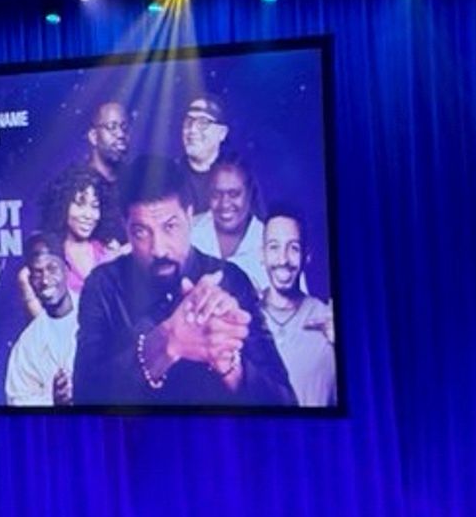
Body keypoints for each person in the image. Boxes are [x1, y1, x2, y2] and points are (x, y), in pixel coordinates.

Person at [71, 156, 294, 407]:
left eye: (170, 226)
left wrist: (229, 365)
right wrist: (165, 343)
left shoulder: (230, 281)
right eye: (141, 232)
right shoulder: (103, 286)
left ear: (189, 216)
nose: (159, 250)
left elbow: (286, 403)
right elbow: (83, 397)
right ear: (126, 228)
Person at [257, 208, 336, 407]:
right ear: (262, 255)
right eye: (274, 247)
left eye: (294, 248)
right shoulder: (244, 316)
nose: (283, 260)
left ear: (306, 256)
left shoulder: (327, 319)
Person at [5, 232, 78, 406]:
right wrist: (53, 401)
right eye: (37, 273)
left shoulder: (101, 318)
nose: (45, 280)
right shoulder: (27, 345)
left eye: (52, 269)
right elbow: (17, 402)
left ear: (66, 270)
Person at [191, 152, 269, 293]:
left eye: (234, 194)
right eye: (216, 194)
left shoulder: (271, 241)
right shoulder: (189, 232)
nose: (224, 203)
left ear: (250, 192)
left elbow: (299, 307)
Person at [41, 162, 119, 296]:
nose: (88, 215)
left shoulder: (107, 248)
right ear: (62, 205)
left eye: (94, 206)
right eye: (80, 204)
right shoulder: (51, 256)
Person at [83, 99, 132, 245]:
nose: (120, 134)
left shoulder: (135, 181)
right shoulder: (78, 186)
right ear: (93, 136)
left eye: (124, 127)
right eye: (112, 127)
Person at [180, 91, 229, 211]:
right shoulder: (169, 178)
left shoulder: (237, 179)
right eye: (188, 121)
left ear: (222, 133)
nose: (192, 130)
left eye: (203, 122)